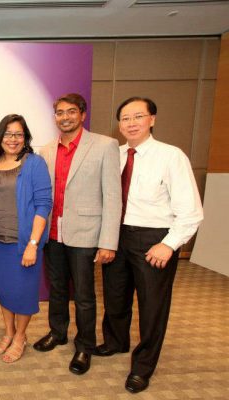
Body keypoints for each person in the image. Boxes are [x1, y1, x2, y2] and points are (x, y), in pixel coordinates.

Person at [95, 97, 204, 394]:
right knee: (115, 297)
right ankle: (116, 342)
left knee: (152, 305)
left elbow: (191, 211)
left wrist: (169, 245)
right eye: (125, 118)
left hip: (154, 238)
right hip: (116, 235)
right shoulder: (114, 155)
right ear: (119, 124)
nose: (131, 123)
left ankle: (143, 366)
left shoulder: (171, 156)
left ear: (152, 119)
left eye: (138, 116)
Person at [33, 93, 122, 375]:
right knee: (57, 289)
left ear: (83, 114)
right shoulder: (46, 150)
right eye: (60, 112)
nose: (65, 117)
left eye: (71, 111)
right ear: (55, 117)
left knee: (84, 295)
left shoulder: (105, 145)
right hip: (53, 233)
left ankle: (85, 345)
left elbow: (113, 196)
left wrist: (108, 242)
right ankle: (58, 332)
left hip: (86, 233)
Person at [0, 114, 52, 363]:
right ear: (0, 136)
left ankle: (21, 336)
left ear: (25, 138)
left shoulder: (34, 163)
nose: (13, 139)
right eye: (8, 134)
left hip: (24, 241)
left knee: (23, 292)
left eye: (18, 134)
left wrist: (33, 244)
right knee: (4, 290)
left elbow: (43, 205)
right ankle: (9, 332)